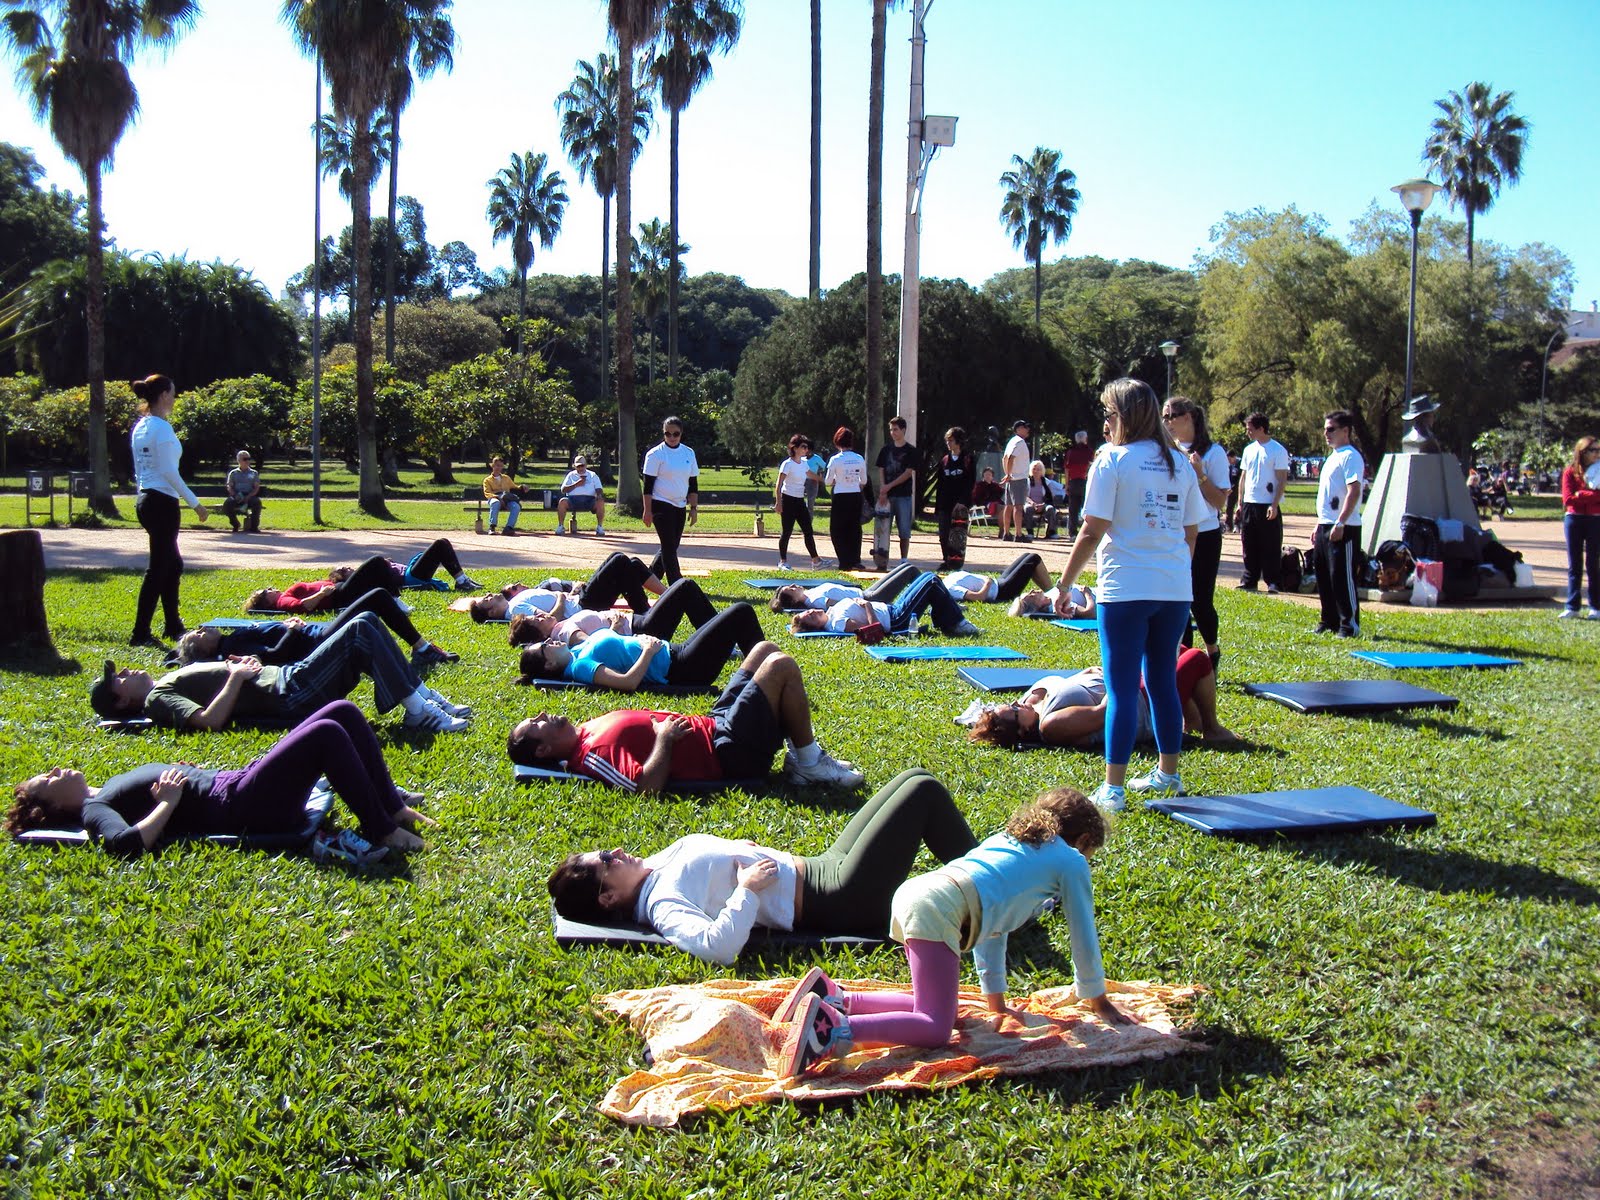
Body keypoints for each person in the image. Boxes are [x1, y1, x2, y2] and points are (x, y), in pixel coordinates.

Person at [777, 787, 1136, 1075]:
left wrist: (996, 1001)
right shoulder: (1070, 861)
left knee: (931, 1007)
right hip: (941, 908)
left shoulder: (1011, 842)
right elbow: (1082, 932)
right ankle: (832, 1031)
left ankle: (835, 997)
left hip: (919, 894)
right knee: (935, 1027)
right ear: (1084, 838)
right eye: (1090, 851)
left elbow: (993, 925)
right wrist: (1097, 998)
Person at [546, 768, 976, 964]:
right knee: (923, 792)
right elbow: (716, 947)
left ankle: (989, 877)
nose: (616, 852)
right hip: (839, 896)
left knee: (913, 777)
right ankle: (995, 885)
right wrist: (746, 889)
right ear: (608, 896)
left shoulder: (651, 871)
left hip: (821, 864)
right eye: (606, 861)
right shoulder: (661, 905)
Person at [9, 701, 429, 863]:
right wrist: (168, 803)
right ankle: (383, 829)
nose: (56, 771)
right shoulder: (92, 811)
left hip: (236, 783)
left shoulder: (103, 789)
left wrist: (192, 775)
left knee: (342, 712)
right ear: (52, 807)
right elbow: (125, 846)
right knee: (327, 735)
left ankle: (391, 805)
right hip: (242, 807)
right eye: (48, 781)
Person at [1053, 378, 1202, 811]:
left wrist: (1063, 586)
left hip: (1125, 589)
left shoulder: (1111, 461)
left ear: (1124, 416)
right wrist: (1172, 571)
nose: (1105, 422)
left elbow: (1091, 530)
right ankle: (1167, 775)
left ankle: (1113, 788)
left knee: (1120, 688)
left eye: (1108, 414)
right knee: (1161, 683)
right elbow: (1191, 532)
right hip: (1174, 590)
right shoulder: (1179, 460)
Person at [507, 641, 865, 790]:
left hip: (716, 723)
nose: (542, 714)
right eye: (536, 724)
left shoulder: (585, 731)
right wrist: (663, 738)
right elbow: (644, 788)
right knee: (779, 665)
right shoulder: (591, 756)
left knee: (763, 650)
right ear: (542, 751)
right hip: (728, 751)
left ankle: (802, 758)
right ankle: (808, 761)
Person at [88, 613, 473, 734]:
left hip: (290, 677)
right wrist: (236, 677)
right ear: (121, 699)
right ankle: (419, 711)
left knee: (368, 619)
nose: (125, 670)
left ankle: (423, 701)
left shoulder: (169, 678)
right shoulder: (157, 698)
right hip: (290, 694)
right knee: (359, 628)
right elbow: (208, 722)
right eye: (117, 678)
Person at [966, 648, 1235, 750]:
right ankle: (1210, 729)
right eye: (1014, 711)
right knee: (1196, 658)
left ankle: (1192, 720)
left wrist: (1088, 672)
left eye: (1012, 703)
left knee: (1173, 646)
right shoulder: (1051, 725)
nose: (1017, 703)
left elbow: (1070, 684)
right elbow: (1107, 710)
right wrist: (1119, 670)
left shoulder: (1031, 703)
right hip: (1139, 702)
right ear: (1024, 731)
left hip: (1124, 682)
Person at [516, 602, 765, 692]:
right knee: (740, 612)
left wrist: (613, 626)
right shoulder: (580, 667)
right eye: (545, 646)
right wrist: (647, 651)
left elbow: (612, 648)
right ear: (549, 663)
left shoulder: (576, 653)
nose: (549, 641)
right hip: (681, 668)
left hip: (674, 651)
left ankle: (766, 671)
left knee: (730, 616)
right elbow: (627, 682)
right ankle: (767, 674)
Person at [178, 589, 457, 669]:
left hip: (316, 633)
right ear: (203, 649)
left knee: (376, 602)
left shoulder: (231, 640)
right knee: (377, 598)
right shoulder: (231, 649)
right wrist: (293, 629)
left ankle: (420, 650)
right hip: (315, 641)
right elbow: (273, 656)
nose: (204, 629)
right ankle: (422, 650)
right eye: (199, 634)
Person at [129, 373, 208, 646]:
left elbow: (142, 468)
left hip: (146, 499)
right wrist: (194, 502)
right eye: (172, 393)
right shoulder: (161, 429)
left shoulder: (141, 427)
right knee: (159, 568)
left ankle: (173, 624)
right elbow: (167, 471)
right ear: (163, 395)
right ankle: (140, 633)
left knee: (173, 565)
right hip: (162, 502)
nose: (174, 398)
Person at [1162, 397, 1230, 673]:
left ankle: (1212, 650)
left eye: (1172, 416)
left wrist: (1199, 474)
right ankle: (1184, 660)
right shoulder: (1166, 452)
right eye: (1164, 417)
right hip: (1174, 536)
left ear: (1190, 417)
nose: (1167, 422)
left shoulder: (1213, 453)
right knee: (1177, 600)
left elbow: (1219, 501)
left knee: (1200, 600)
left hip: (1204, 535)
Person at [246, 541, 480, 612]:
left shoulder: (285, 593)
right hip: (338, 596)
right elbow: (300, 607)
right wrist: (322, 592)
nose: (268, 588)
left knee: (378, 563)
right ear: (265, 602)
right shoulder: (283, 599)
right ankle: (396, 601)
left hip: (340, 593)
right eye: (263, 592)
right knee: (377, 562)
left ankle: (396, 601)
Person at [509, 577, 717, 647]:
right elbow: (594, 645)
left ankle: (715, 634)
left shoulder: (561, 625)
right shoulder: (564, 633)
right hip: (644, 629)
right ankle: (718, 637)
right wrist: (615, 627)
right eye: (534, 620)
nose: (539, 615)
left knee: (684, 589)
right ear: (540, 635)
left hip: (639, 621)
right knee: (684, 587)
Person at [469, 552, 667, 623]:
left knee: (629, 563)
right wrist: (562, 597)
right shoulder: (516, 610)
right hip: (584, 607)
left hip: (580, 599)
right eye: (485, 600)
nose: (488, 594)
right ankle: (647, 613)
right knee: (620, 560)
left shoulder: (515, 603)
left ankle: (667, 596)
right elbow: (549, 621)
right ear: (492, 611)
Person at [787, 570, 978, 637]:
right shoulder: (837, 623)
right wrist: (867, 607)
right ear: (814, 627)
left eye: (809, 611)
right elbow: (875, 631)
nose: (812, 611)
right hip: (896, 620)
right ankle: (958, 623)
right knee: (931, 582)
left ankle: (946, 621)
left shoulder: (831, 612)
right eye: (810, 617)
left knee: (929, 577)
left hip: (892, 609)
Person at [1312, 410, 1366, 638]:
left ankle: (1349, 624)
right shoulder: (1333, 457)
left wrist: (1341, 522)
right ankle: (1329, 620)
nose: (1326, 433)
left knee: (1342, 576)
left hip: (1344, 526)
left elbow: (1354, 491)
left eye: (1331, 429)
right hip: (1326, 524)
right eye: (1325, 429)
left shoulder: (1350, 456)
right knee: (1324, 576)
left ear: (1345, 431)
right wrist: (1319, 524)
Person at [1236, 412, 1290, 592]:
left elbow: (1282, 479)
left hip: (1267, 503)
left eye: (1250, 429)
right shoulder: (1248, 450)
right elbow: (1243, 477)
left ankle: (1273, 581)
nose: (1248, 433)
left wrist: (1274, 505)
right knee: (1248, 543)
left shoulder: (1278, 450)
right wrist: (1239, 502)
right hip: (1249, 502)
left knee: (1270, 544)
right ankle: (1249, 579)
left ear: (1261, 429)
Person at [642, 415, 699, 583]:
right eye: (668, 434)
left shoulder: (688, 452)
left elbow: (693, 483)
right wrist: (647, 510)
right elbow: (648, 486)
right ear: (663, 434)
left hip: (680, 505)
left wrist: (694, 509)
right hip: (660, 504)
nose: (672, 437)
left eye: (676, 434)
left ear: (681, 434)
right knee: (668, 546)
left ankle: (651, 578)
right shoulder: (655, 454)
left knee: (672, 546)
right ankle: (676, 582)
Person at [1561, 437, 1600, 619]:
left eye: (1598, 449)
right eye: (1593, 450)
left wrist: (1581, 494)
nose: (1597, 453)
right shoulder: (1570, 472)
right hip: (1574, 520)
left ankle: (1595, 607)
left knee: (1593, 564)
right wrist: (1592, 495)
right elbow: (1568, 499)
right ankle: (1572, 606)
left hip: (1595, 519)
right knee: (1574, 564)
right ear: (1582, 452)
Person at [774, 434, 825, 570]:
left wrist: (826, 480)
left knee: (808, 530)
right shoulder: (787, 464)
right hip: (788, 500)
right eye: (803, 446)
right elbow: (778, 485)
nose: (806, 449)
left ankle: (816, 561)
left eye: (807, 447)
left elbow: (811, 475)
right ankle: (783, 562)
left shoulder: (804, 463)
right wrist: (779, 503)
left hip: (799, 500)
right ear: (795, 448)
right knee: (787, 532)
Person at [823, 426, 869, 570]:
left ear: (837, 442)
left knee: (837, 529)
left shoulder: (835, 460)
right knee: (854, 528)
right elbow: (864, 480)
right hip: (855, 495)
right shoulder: (859, 458)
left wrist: (837, 480)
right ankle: (856, 559)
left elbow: (828, 481)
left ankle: (844, 560)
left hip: (840, 496)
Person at [875, 416, 919, 563]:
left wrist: (889, 486)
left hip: (903, 495)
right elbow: (881, 469)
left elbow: (907, 473)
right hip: (886, 496)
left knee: (904, 529)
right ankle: (881, 559)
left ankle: (903, 559)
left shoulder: (911, 451)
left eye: (896, 429)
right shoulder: (886, 450)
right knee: (883, 529)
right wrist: (883, 489)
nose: (893, 432)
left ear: (903, 430)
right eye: (891, 430)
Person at [933, 427, 975, 570]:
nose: (948, 443)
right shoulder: (944, 460)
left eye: (951, 440)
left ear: (958, 441)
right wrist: (938, 507)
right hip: (945, 503)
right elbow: (940, 483)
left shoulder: (968, 459)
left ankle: (957, 562)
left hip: (960, 505)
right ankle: (946, 560)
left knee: (958, 534)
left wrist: (963, 502)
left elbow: (970, 482)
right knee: (943, 534)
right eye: (947, 441)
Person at [998, 418, 1032, 543]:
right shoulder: (1020, 442)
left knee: (1009, 506)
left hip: (1012, 478)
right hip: (1018, 478)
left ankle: (1006, 533)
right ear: (1018, 429)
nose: (1027, 429)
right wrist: (1009, 474)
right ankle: (1018, 534)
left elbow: (1005, 458)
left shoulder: (1012, 441)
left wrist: (1007, 474)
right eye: (1025, 427)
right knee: (1018, 506)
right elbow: (1011, 458)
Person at [557, 454, 607, 536]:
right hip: (572, 500)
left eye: (582, 466)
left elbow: (599, 488)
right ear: (575, 466)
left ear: (586, 465)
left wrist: (599, 495)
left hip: (590, 500)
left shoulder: (592, 475)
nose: (580, 468)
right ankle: (560, 526)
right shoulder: (571, 475)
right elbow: (563, 490)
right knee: (562, 501)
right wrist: (576, 484)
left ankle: (600, 527)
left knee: (600, 502)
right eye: (578, 466)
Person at [221, 450, 262, 534]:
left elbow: (256, 488)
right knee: (227, 504)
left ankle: (254, 527)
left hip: (249, 495)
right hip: (237, 495)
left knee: (257, 503)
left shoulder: (254, 473)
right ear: (239, 460)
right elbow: (229, 486)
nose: (247, 461)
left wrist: (249, 496)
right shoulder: (233, 473)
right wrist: (235, 495)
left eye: (248, 459)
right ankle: (235, 524)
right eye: (245, 459)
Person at [1064, 430, 1094, 540]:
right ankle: (1088, 531)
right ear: (1085, 439)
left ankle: (1072, 533)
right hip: (1085, 481)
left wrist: (1067, 484)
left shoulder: (1071, 452)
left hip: (1073, 482)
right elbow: (1091, 466)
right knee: (1087, 507)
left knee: (1073, 508)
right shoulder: (1089, 451)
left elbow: (1067, 469)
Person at [482, 455, 522, 536]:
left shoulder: (506, 478)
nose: (498, 468)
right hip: (494, 498)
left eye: (500, 466)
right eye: (497, 465)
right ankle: (492, 527)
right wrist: (498, 498)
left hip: (506, 499)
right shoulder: (487, 480)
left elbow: (514, 487)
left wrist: (522, 487)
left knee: (516, 506)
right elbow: (487, 493)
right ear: (493, 465)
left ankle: (509, 528)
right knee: (495, 503)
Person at [1023, 460, 1059, 540]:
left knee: (1050, 509)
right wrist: (1033, 503)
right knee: (1027, 509)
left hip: (1043, 504)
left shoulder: (1046, 482)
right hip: (1031, 504)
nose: (1036, 471)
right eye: (1034, 469)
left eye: (1038, 469)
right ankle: (1030, 532)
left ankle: (1051, 532)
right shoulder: (1027, 481)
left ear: (1042, 471)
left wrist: (1043, 504)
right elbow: (1024, 496)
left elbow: (1050, 496)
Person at [803, 442, 828, 518]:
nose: (806, 452)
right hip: (801, 481)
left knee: (810, 503)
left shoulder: (816, 458)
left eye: (808, 450)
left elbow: (825, 467)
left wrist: (819, 474)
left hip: (812, 481)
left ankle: (809, 522)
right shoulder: (801, 458)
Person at [1223, 450, 1241, 533]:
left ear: (1234, 457)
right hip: (1230, 490)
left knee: (1239, 508)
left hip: (1239, 490)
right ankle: (1228, 526)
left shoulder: (1240, 464)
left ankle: (1238, 525)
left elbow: (1241, 479)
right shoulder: (1229, 466)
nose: (1229, 461)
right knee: (1229, 508)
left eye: (1230, 459)